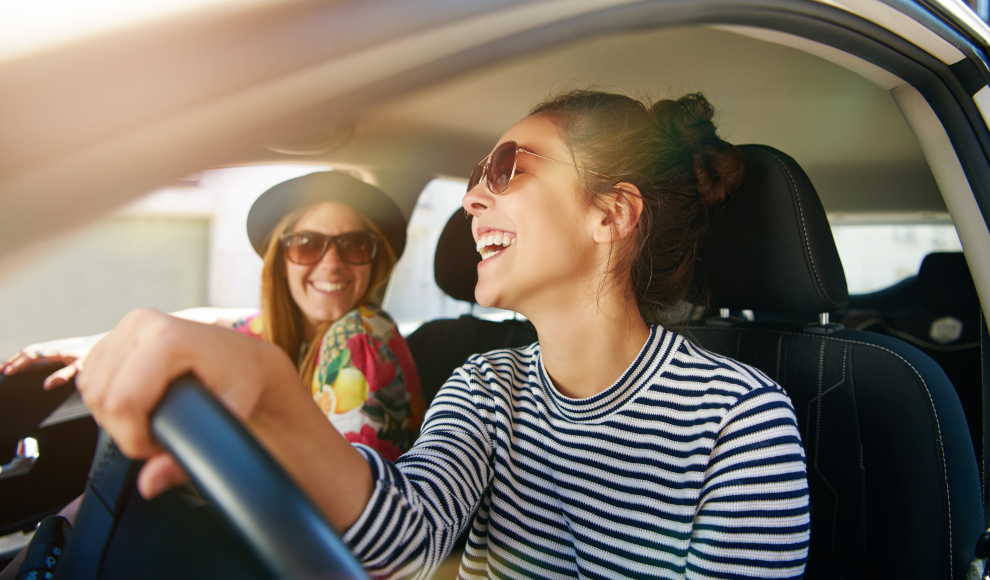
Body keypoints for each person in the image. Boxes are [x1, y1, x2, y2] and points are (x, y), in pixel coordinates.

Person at [76, 90, 811, 579]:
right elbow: (408, 534)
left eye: (506, 168)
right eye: (472, 176)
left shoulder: (741, 420)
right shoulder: (489, 385)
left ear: (611, 214)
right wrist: (270, 396)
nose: (469, 198)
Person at [1, 172, 424, 459]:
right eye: (308, 244)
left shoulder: (361, 336)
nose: (331, 265)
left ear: (374, 260)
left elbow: (346, 502)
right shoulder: (287, 330)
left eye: (353, 245)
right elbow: (216, 321)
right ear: (282, 261)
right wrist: (97, 342)